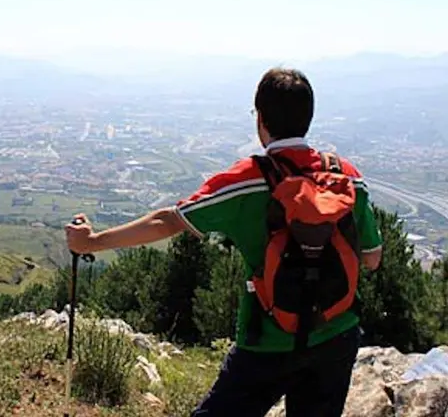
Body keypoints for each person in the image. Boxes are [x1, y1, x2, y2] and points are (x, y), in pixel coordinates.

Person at [65, 67, 383, 417]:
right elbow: (371, 258)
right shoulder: (347, 178)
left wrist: (91, 242)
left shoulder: (247, 180)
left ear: (260, 118)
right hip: (337, 334)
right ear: (308, 116)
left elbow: (168, 220)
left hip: (267, 341)